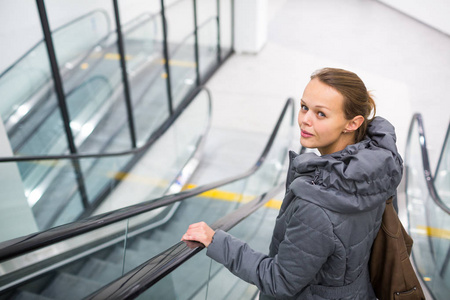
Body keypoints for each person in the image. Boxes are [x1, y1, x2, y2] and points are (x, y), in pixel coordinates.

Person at [181, 67, 403, 299]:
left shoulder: (316, 206)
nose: (305, 120)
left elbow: (279, 282)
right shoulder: (376, 168)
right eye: (304, 107)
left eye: (321, 114)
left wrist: (216, 240)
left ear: (352, 123)